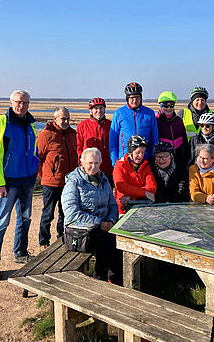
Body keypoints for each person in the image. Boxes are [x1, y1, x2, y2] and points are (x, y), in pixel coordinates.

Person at [0, 90, 39, 281]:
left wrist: (34, 171)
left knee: (25, 218)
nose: (21, 106)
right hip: (8, 182)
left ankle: (21, 253)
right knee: (1, 222)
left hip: (27, 180)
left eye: (25, 102)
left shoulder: (30, 123)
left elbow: (33, 151)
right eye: (18, 102)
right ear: (10, 102)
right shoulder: (1, 122)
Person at [61, 148, 122, 284]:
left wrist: (111, 221)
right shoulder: (74, 182)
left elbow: (112, 205)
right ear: (82, 162)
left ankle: (116, 280)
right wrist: (100, 223)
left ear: (100, 162)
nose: (93, 167)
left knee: (120, 240)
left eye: (96, 163)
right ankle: (99, 279)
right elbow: (72, 214)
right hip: (79, 230)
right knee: (107, 242)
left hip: (104, 225)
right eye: (89, 163)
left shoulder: (104, 180)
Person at [37, 107, 78, 247]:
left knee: (65, 212)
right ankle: (44, 241)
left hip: (69, 183)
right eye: (63, 119)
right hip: (51, 182)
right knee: (48, 214)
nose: (66, 121)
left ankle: (62, 238)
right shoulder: (46, 135)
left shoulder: (73, 134)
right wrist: (46, 176)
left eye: (68, 118)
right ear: (55, 119)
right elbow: (38, 158)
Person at [110, 82, 159, 166]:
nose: (135, 101)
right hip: (124, 159)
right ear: (127, 98)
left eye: (137, 97)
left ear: (141, 98)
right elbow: (113, 140)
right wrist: (114, 162)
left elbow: (154, 137)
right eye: (132, 98)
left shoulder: (149, 113)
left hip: (144, 159)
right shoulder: (119, 113)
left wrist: (152, 156)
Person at [112, 135, 157, 215]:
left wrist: (132, 197)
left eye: (143, 152)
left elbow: (152, 186)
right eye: (138, 152)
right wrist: (145, 193)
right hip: (123, 210)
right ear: (130, 152)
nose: (140, 156)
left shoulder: (146, 166)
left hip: (143, 207)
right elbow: (121, 186)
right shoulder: (120, 165)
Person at [76, 97, 113, 182]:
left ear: (104, 109)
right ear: (91, 111)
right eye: (96, 108)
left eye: (101, 108)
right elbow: (79, 146)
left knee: (107, 192)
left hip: (107, 167)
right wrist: (81, 163)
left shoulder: (111, 125)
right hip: (89, 168)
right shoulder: (82, 126)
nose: (99, 111)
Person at [156, 91, 190, 166]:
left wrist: (187, 157)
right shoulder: (156, 121)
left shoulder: (178, 120)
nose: (169, 108)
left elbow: (184, 140)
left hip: (179, 158)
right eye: (165, 106)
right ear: (161, 106)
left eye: (171, 105)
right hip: (162, 160)